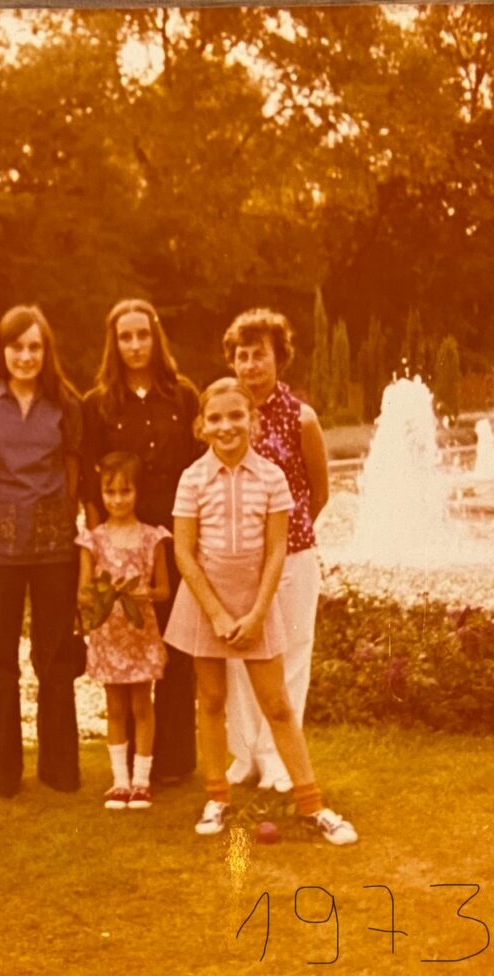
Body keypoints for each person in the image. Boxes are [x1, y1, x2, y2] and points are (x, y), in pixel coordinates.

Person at [164, 378, 357, 843]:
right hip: (206, 603)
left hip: (256, 605)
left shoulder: (272, 478)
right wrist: (216, 613)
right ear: (200, 426)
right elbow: (184, 553)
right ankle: (217, 798)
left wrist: (255, 614)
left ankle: (313, 805)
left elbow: (276, 552)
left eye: (236, 415)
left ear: (253, 420)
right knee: (212, 700)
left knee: (278, 705)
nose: (226, 426)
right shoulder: (192, 479)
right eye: (215, 418)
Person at [0, 305, 82, 798]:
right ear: (1, 350)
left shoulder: (65, 404)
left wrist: (74, 537)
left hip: (54, 550)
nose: (26, 356)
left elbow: (72, 474)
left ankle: (59, 769)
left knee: (55, 660)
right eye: (17, 347)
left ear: (46, 351)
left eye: (35, 347)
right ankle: (1, 773)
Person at [81, 298, 200, 785]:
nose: (134, 345)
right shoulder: (98, 404)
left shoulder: (183, 395)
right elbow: (90, 487)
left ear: (156, 338)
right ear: (114, 343)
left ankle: (172, 761)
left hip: (174, 539)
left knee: (175, 647)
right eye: (125, 337)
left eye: (142, 335)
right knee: (128, 652)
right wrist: (98, 553)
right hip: (121, 547)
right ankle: (130, 764)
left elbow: (198, 467)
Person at [222, 309, 330, 792]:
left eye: (259, 355)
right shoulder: (226, 416)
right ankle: (245, 754)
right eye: (242, 356)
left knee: (291, 654)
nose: (250, 365)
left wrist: (284, 538)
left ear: (278, 357)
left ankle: (279, 758)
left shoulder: (301, 418)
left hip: (293, 556)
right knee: (238, 655)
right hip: (238, 558)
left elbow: (319, 492)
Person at [76, 452, 171, 811]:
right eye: (110, 492)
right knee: (115, 707)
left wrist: (144, 593)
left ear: (138, 492)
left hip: (140, 635)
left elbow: (164, 590)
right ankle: (120, 781)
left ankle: (142, 782)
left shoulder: (152, 538)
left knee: (142, 705)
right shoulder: (94, 540)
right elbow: (83, 593)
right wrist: (102, 594)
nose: (117, 499)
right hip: (109, 636)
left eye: (125, 491)